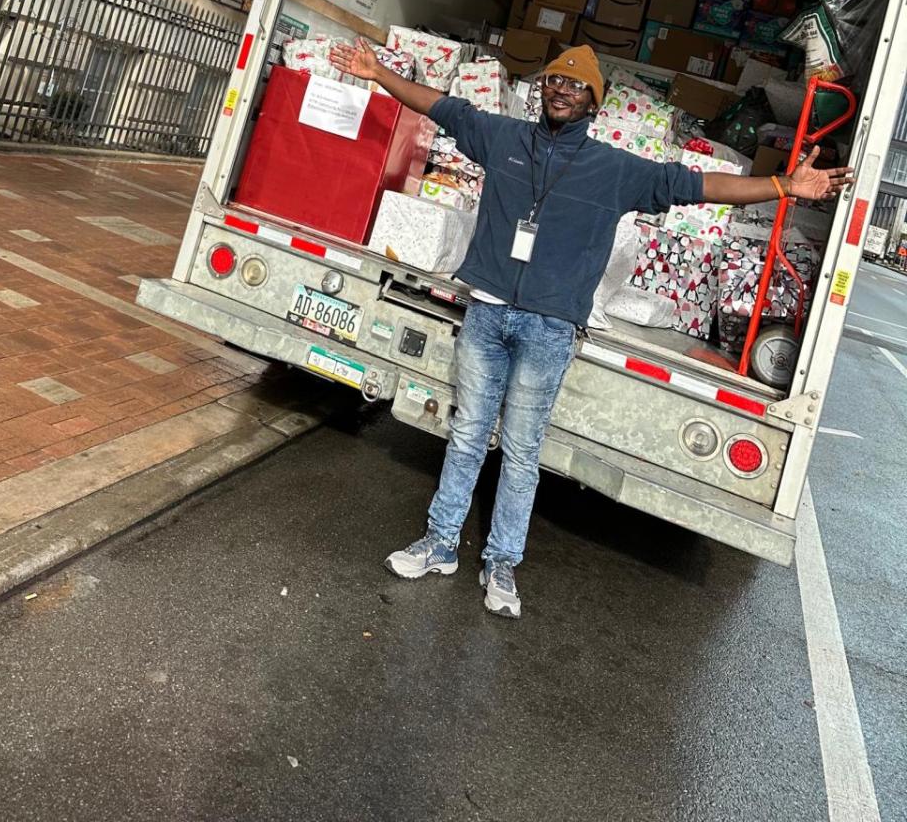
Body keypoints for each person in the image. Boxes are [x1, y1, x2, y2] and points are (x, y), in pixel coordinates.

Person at [328, 39, 853, 619]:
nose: (562, 90)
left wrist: (785, 186)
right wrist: (377, 72)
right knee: (468, 434)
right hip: (487, 311)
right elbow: (441, 106)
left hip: (550, 330)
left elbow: (697, 186)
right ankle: (442, 543)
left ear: (593, 105)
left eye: (577, 86)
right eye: (555, 80)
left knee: (523, 452)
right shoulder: (502, 138)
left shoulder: (614, 170)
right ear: (541, 91)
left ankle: (501, 564)